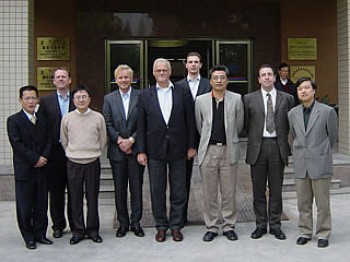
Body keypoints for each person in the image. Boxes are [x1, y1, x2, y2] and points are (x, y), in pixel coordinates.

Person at [137, 58, 197, 242]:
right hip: (155, 150)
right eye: (158, 70)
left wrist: (191, 146)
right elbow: (141, 125)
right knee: (157, 190)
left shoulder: (183, 92)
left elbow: (191, 121)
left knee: (179, 190)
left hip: (179, 149)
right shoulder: (145, 95)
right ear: (153, 73)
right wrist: (141, 150)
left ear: (170, 72)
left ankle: (176, 225)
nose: (161, 73)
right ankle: (161, 226)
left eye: (164, 70)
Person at [243, 64, 294, 240]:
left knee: (276, 189)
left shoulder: (287, 98)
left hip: (277, 147)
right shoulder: (249, 99)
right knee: (258, 189)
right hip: (258, 147)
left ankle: (275, 225)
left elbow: (289, 125)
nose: (266, 77)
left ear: (274, 77)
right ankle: (260, 225)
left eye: (269, 74)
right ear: (258, 79)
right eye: (263, 75)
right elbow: (246, 125)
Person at [195, 65, 244, 242]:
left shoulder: (237, 99)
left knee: (229, 191)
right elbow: (199, 125)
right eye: (215, 78)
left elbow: (238, 125)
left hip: (229, 149)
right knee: (209, 192)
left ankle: (229, 225)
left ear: (227, 80)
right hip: (208, 150)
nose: (219, 81)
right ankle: (212, 226)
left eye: (222, 77)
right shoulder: (200, 100)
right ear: (210, 81)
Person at [288, 77, 338, 248]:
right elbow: (292, 137)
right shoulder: (292, 113)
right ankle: (305, 231)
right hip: (301, 163)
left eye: (307, 88)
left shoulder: (327, 111)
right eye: (300, 88)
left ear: (314, 90)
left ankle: (323, 233)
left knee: (322, 203)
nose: (303, 91)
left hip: (320, 162)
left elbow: (332, 137)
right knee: (303, 203)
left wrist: (320, 152)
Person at [7, 85, 53, 250]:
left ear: (38, 99)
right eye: (27, 98)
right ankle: (28, 236)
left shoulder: (43, 119)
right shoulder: (14, 120)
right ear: (21, 100)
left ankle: (40, 234)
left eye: (33, 98)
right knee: (25, 205)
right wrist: (35, 159)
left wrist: (44, 157)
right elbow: (17, 145)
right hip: (25, 169)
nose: (31, 101)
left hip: (43, 168)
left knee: (41, 203)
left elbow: (49, 140)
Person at [60, 85, 107, 245]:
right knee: (75, 198)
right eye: (78, 97)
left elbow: (103, 139)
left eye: (84, 96)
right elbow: (64, 140)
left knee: (92, 197)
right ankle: (78, 230)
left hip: (92, 161)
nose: (81, 99)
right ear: (73, 100)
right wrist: (72, 152)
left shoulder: (98, 117)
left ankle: (93, 229)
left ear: (89, 99)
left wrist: (94, 152)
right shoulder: (67, 118)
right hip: (73, 162)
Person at [103, 65, 145, 238]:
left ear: (132, 78)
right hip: (117, 151)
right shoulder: (109, 98)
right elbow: (107, 122)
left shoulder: (141, 96)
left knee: (136, 188)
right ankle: (123, 223)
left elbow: (144, 121)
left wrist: (132, 141)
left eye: (127, 77)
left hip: (135, 150)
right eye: (120, 77)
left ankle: (136, 223)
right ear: (116, 79)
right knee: (120, 189)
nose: (123, 80)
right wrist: (120, 140)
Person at [38, 67, 75, 238]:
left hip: (74, 151)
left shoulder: (77, 98)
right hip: (54, 153)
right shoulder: (45, 102)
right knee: (56, 192)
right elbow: (42, 129)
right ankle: (58, 225)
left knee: (74, 191)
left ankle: (76, 224)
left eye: (64, 77)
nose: (61, 79)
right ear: (53, 81)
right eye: (57, 77)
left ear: (69, 80)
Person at [175, 52, 211, 225]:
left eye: (196, 62)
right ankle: (181, 217)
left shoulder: (209, 84)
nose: (193, 65)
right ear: (185, 65)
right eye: (190, 62)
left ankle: (211, 217)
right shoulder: (177, 86)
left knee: (210, 179)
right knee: (183, 179)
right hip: (184, 139)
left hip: (206, 137)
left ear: (201, 65)